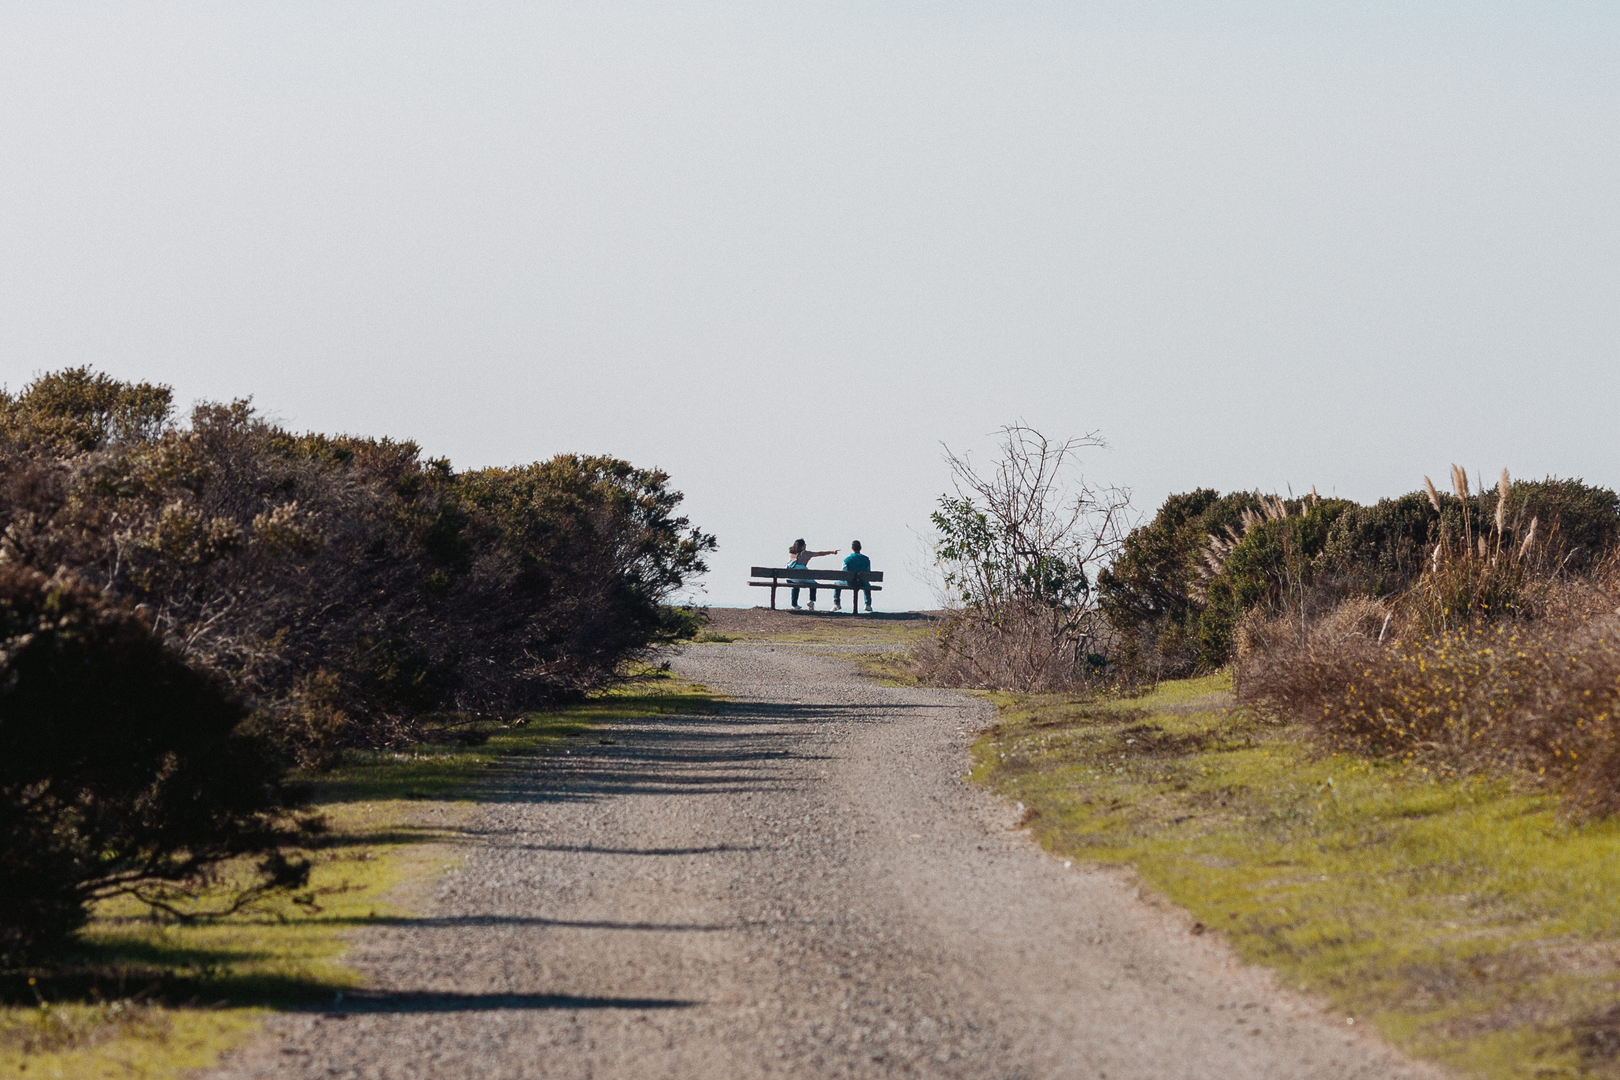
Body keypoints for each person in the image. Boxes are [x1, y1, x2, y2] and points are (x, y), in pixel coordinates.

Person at [785, 538, 838, 611]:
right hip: (802, 576)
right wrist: (832, 552)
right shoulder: (806, 553)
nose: (805, 545)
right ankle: (811, 601)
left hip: (791, 578)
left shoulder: (791, 553)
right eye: (804, 544)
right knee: (814, 584)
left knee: (795, 585)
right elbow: (819, 553)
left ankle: (794, 605)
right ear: (802, 546)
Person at [832, 541, 873, 613]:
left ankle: (836, 603)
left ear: (852, 548)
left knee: (837, 583)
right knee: (867, 584)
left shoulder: (847, 559)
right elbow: (868, 572)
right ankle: (867, 604)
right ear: (860, 548)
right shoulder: (866, 559)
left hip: (850, 582)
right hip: (862, 582)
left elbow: (843, 573)